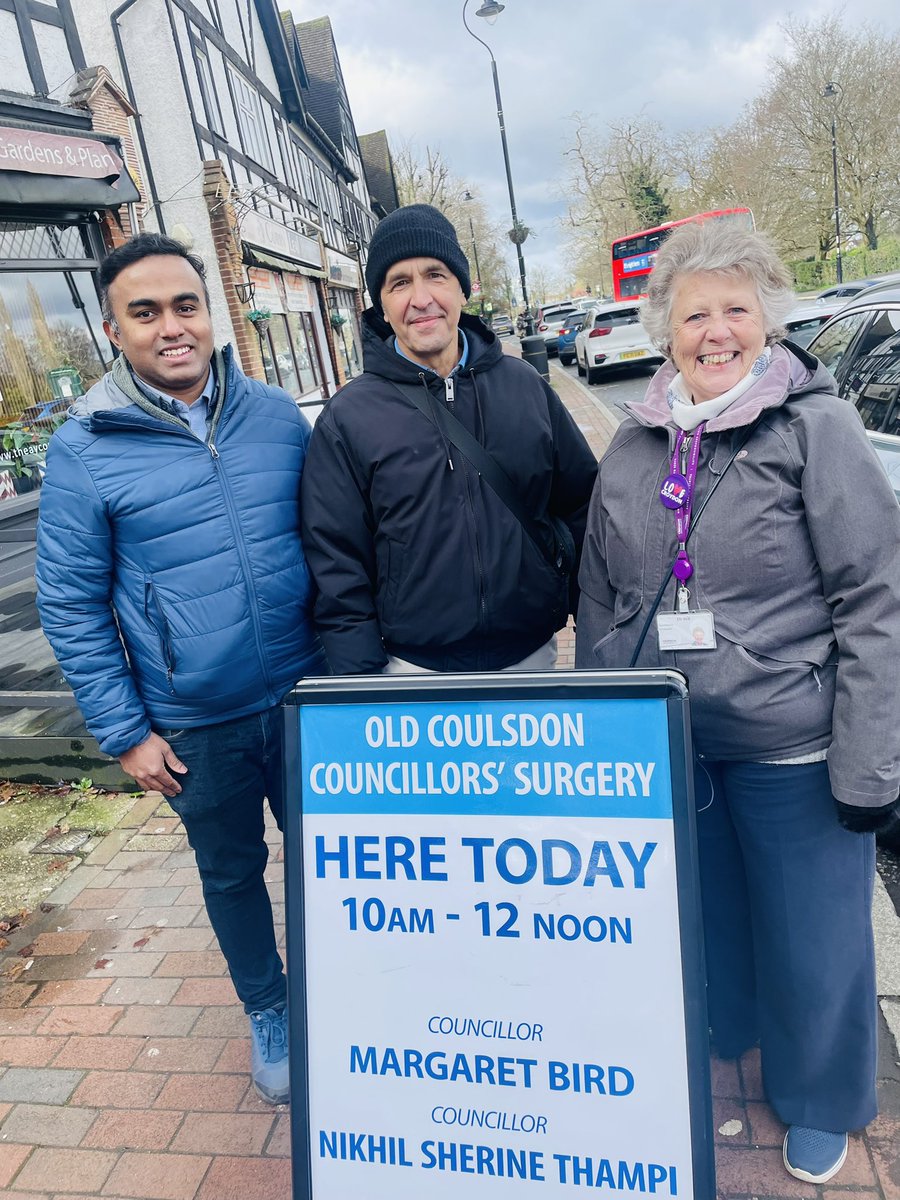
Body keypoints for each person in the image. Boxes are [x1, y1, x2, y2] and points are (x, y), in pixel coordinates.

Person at [575, 220, 900, 1184]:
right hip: (679, 741)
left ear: (767, 320)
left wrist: (873, 761)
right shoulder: (637, 442)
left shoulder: (817, 428)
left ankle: (821, 1098)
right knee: (715, 911)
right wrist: (609, 731)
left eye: (736, 310)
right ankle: (742, 1028)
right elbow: (602, 593)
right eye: (693, 315)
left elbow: (876, 598)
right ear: (662, 331)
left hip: (792, 738)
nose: (715, 332)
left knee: (816, 935)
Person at [35, 233, 325, 1105]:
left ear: (211, 312)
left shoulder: (276, 415)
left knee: (330, 857)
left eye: (185, 305)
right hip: (196, 720)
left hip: (310, 695)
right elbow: (71, 605)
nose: (172, 327)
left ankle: (349, 995)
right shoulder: (85, 448)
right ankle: (269, 1009)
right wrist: (126, 732)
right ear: (114, 330)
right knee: (232, 873)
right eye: (146, 312)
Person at [301, 204, 597, 674]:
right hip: (411, 672)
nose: (421, 299)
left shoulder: (525, 388)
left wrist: (595, 627)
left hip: (532, 658)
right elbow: (336, 559)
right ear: (381, 302)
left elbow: (582, 509)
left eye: (435, 275)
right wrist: (360, 681)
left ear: (461, 288)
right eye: (399, 283)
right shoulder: (349, 416)